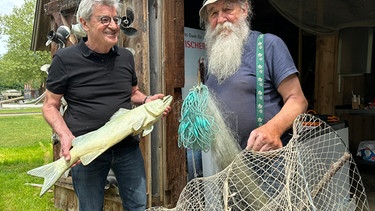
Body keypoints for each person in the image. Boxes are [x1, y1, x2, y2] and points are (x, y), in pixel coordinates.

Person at [42, 0, 170, 210]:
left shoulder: (126, 57)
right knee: (91, 208)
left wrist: (147, 100)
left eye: (115, 19)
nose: (113, 25)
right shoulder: (65, 59)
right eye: (104, 19)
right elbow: (49, 105)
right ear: (85, 23)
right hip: (86, 151)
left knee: (138, 206)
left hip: (127, 149)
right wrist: (65, 136)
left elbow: (133, 93)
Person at [199, 0, 308, 151]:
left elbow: (298, 101)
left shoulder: (269, 45)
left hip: (266, 163)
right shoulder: (214, 58)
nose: (221, 19)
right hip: (224, 165)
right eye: (213, 13)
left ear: (244, 10)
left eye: (227, 9)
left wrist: (273, 129)